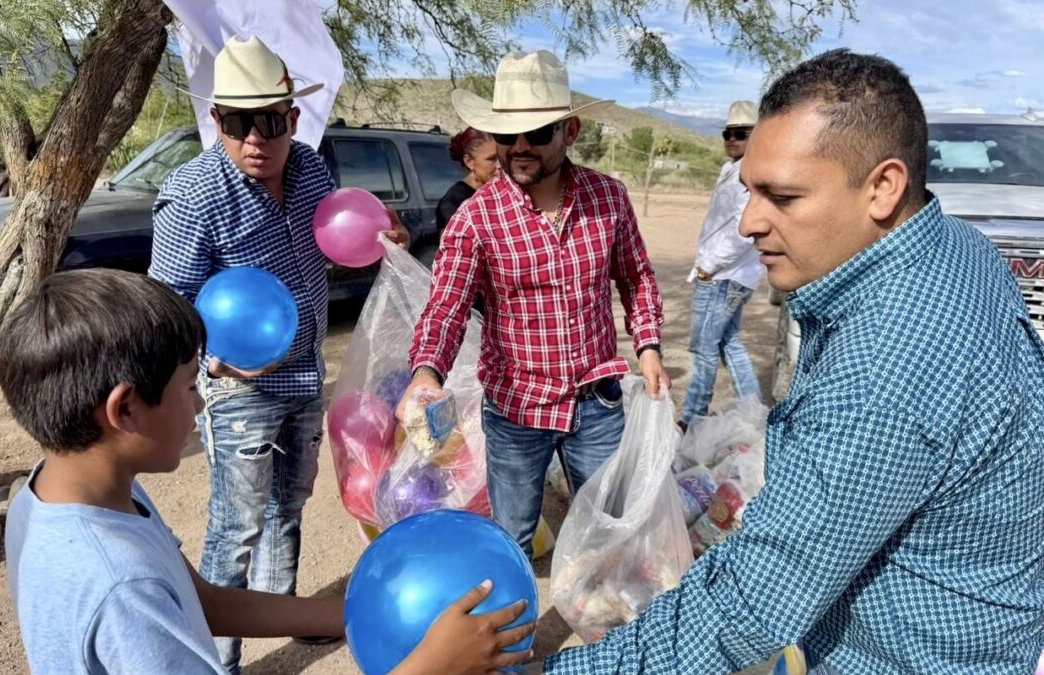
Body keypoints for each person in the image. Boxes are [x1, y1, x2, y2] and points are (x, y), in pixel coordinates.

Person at [535, 49, 1044, 674]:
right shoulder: (955, 243)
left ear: (883, 187)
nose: (750, 222)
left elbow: (753, 601)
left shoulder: (886, 362)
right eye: (751, 190)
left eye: (783, 196)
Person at [0, 269, 535, 675]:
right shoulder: (120, 584)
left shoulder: (71, 489)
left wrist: (361, 611)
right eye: (191, 387)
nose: (201, 406)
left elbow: (205, 605)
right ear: (125, 410)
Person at [147, 35, 409, 672]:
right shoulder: (194, 194)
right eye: (238, 123)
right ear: (217, 121)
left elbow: (332, 239)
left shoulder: (315, 169)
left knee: (288, 506)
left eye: (269, 120)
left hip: (303, 380)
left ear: (293, 118)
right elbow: (164, 304)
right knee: (235, 528)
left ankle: (282, 617)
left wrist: (383, 239)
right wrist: (212, 362)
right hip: (238, 392)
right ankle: (217, 661)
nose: (254, 138)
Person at [400, 50, 670, 560]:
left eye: (538, 133)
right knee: (512, 541)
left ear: (570, 131)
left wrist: (649, 345)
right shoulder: (475, 218)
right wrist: (426, 372)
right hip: (517, 409)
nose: (520, 148)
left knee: (611, 532)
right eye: (507, 136)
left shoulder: (608, 197)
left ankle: (609, 628)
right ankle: (518, 639)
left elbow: (636, 277)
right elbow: (446, 306)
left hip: (598, 401)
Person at [678, 100, 764, 430]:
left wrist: (708, 267)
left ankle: (692, 417)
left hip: (723, 276)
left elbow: (744, 229)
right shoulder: (735, 168)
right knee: (729, 342)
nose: (731, 139)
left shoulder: (749, 173)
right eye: (727, 133)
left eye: (740, 134)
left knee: (703, 349)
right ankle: (753, 410)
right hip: (732, 275)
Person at [436, 127, 499, 230]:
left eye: (502, 157)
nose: (500, 165)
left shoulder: (502, 191)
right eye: (492, 159)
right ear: (469, 161)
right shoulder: (454, 203)